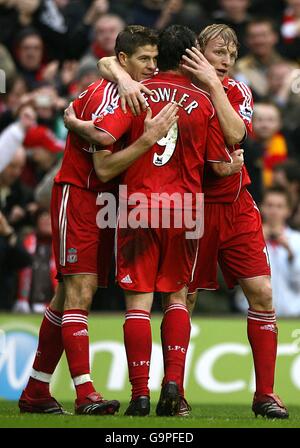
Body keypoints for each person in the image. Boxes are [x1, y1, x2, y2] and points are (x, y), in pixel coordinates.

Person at [65, 24, 232, 417]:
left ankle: (139, 393)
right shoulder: (204, 102)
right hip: (186, 209)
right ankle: (172, 383)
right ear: (191, 56)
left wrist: (74, 124)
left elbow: (104, 138)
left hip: (139, 204)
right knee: (176, 298)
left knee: (137, 305)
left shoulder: (137, 93)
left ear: (162, 57)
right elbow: (220, 163)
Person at [19, 25, 178, 416]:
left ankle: (37, 391)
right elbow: (104, 167)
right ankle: (85, 391)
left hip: (108, 203)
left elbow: (109, 63)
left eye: (155, 59)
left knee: (67, 294)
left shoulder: (129, 84)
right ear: (125, 60)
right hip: (80, 195)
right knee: (81, 290)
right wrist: (147, 137)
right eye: (144, 59)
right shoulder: (107, 97)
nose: (152, 67)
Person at [182, 24, 288, 419]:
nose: (225, 61)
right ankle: (174, 392)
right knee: (184, 299)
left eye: (230, 53)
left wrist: (213, 83)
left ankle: (265, 395)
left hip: (238, 205)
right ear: (197, 52)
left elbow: (237, 135)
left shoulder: (239, 91)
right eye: (217, 53)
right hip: (192, 208)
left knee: (261, 292)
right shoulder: (178, 92)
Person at [235, 186, 300, 317]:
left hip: (292, 317)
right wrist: (255, 243)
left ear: (288, 210)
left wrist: (290, 254)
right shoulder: (247, 238)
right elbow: (235, 279)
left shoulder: (297, 240)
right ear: (261, 208)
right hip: (251, 314)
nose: (274, 211)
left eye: (279, 206)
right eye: (270, 205)